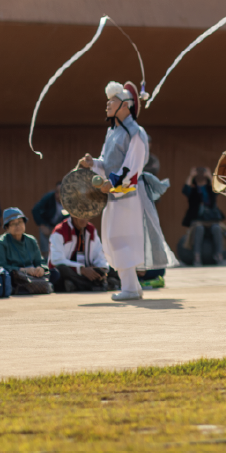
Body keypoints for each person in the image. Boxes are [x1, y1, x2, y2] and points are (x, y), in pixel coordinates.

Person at [77, 81, 175, 301]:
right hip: (113, 191)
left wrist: (112, 183)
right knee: (114, 237)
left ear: (125, 104)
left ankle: (130, 288)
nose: (107, 104)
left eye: (112, 101)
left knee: (125, 237)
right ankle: (131, 286)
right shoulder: (112, 132)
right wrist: (94, 163)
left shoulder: (135, 132)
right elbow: (107, 162)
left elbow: (133, 166)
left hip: (128, 193)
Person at [48, 213, 120, 292]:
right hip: (72, 270)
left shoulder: (91, 229)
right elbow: (56, 260)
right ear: (73, 215)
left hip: (88, 270)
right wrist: (81, 269)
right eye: (80, 216)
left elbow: (99, 254)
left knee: (112, 268)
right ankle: (99, 284)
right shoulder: (60, 230)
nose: (84, 219)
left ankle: (80, 285)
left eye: (86, 216)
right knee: (61, 270)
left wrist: (102, 269)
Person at [0, 208, 52, 294]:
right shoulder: (1, 242)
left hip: (32, 275)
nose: (18, 226)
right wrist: (23, 270)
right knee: (7, 275)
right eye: (13, 223)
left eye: (20, 222)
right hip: (15, 275)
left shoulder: (31, 240)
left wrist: (41, 269)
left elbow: (40, 262)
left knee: (55, 273)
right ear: (7, 228)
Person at [138, 150, 171, 289]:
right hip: (132, 212)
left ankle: (149, 275)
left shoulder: (150, 162)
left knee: (159, 269)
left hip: (148, 204)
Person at [181, 166, 224, 266]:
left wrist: (209, 175)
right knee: (199, 229)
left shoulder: (210, 189)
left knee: (217, 228)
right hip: (198, 220)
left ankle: (219, 254)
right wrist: (191, 176)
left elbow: (217, 189)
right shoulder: (193, 190)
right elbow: (185, 190)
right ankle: (197, 256)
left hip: (212, 220)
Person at [31, 182, 65, 257]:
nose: (59, 195)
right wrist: (42, 225)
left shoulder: (69, 201)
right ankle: (46, 258)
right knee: (45, 244)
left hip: (60, 225)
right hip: (47, 223)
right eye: (57, 192)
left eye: (62, 193)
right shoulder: (48, 198)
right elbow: (35, 210)